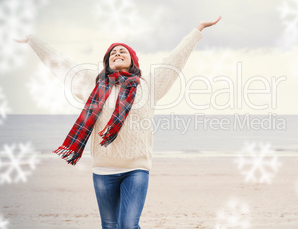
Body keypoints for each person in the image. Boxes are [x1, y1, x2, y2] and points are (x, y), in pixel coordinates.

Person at [14, 15, 222, 229]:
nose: (117, 53)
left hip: (136, 169)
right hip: (103, 170)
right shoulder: (91, 85)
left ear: (133, 60)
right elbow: (62, 64)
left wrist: (197, 30)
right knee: (110, 226)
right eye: (112, 53)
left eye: (122, 51)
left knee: (129, 225)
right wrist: (33, 40)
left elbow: (174, 60)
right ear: (107, 62)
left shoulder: (148, 86)